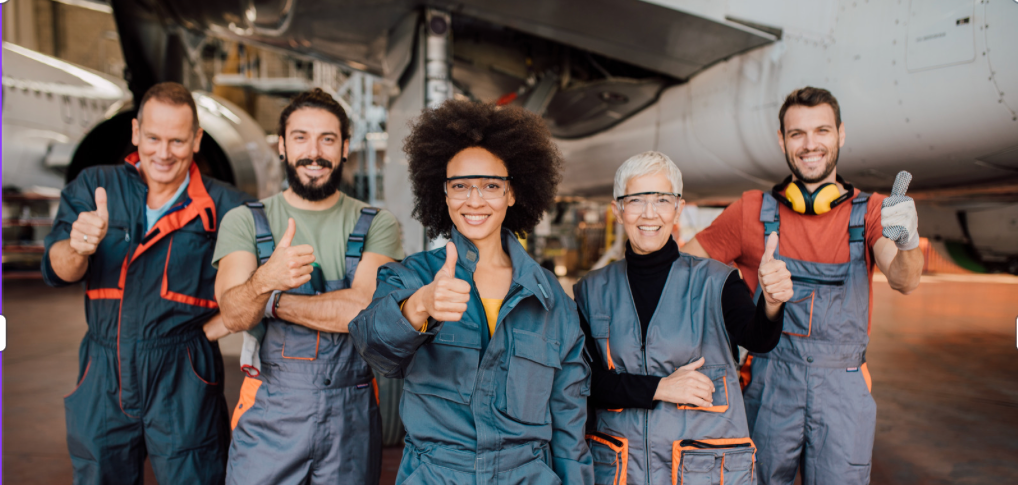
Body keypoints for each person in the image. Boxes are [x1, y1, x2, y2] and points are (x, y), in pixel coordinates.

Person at [683, 87, 923, 485]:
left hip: (843, 396)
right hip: (767, 389)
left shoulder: (872, 213)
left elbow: (905, 279)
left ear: (840, 135)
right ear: (782, 140)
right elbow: (682, 273)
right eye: (797, 134)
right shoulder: (750, 212)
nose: (811, 144)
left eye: (822, 131)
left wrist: (908, 241)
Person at [349, 99, 593, 485]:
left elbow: (569, 427)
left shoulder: (551, 300)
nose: (474, 200)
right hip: (436, 475)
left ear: (512, 193)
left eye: (491, 186)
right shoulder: (413, 276)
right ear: (443, 194)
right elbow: (372, 345)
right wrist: (420, 305)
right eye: (460, 186)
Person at [42, 81, 253, 484]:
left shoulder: (228, 207)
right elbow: (57, 270)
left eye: (177, 140)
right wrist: (77, 247)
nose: (162, 152)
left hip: (184, 375)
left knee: (194, 476)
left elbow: (265, 281)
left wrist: (218, 326)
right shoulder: (94, 186)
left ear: (196, 140)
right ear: (136, 132)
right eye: (153, 138)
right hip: (102, 371)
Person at [212, 88, 403, 485]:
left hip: (351, 417)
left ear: (345, 147)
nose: (313, 152)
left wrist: (270, 301)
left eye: (327, 139)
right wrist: (267, 277)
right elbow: (232, 313)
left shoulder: (377, 223)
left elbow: (362, 310)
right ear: (281, 146)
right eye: (300, 137)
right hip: (270, 410)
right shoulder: (246, 220)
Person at [574, 151, 791, 485]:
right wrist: (660, 387)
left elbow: (759, 338)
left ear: (678, 207)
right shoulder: (591, 290)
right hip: (621, 468)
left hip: (699, 470)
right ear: (617, 210)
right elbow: (585, 382)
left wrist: (772, 302)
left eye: (662, 199)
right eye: (636, 200)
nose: (649, 213)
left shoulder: (717, 281)